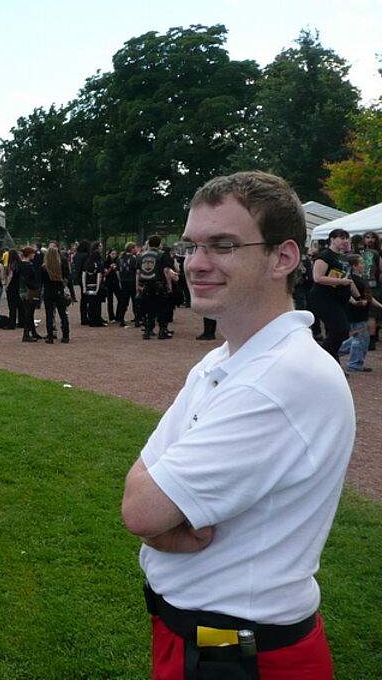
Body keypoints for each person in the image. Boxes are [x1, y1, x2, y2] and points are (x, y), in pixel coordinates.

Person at [121, 171, 354, 680]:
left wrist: (158, 525)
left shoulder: (282, 378)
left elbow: (141, 509)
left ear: (283, 258)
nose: (196, 263)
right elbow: (144, 493)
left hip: (241, 654)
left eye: (223, 246)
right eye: (191, 246)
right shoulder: (225, 360)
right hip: (201, 638)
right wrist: (160, 529)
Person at [309, 228, 354, 366]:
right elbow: (317, 277)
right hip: (325, 298)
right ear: (332, 239)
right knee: (340, 330)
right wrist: (340, 281)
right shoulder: (325, 256)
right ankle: (320, 360)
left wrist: (356, 297)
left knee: (337, 332)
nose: (344, 241)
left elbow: (348, 279)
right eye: (341, 238)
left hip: (340, 298)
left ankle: (332, 365)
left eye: (346, 238)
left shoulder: (342, 257)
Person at [338, 253, 382, 372]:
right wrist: (355, 302)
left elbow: (368, 297)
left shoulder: (361, 279)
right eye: (361, 263)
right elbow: (346, 294)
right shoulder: (351, 279)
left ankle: (334, 351)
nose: (364, 265)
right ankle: (355, 363)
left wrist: (380, 305)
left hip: (362, 312)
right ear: (354, 266)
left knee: (359, 337)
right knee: (360, 338)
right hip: (356, 313)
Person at [136, 236, 173, 340]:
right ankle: (162, 331)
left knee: (149, 309)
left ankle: (147, 331)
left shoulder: (141, 255)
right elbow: (166, 271)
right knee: (162, 308)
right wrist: (169, 284)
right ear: (159, 244)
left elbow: (138, 273)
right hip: (159, 284)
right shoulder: (162, 255)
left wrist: (137, 286)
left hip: (146, 285)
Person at [41, 246, 70, 343]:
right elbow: (66, 277)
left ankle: (50, 336)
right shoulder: (60, 266)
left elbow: (41, 281)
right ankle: (65, 335)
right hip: (59, 291)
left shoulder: (44, 268)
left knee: (49, 315)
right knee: (63, 313)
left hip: (48, 292)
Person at [17, 246, 42, 342]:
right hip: (29, 290)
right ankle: (26, 333)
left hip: (23, 290)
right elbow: (28, 279)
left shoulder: (21, 264)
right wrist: (35, 287)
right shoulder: (27, 265)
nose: (34, 255)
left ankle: (32, 332)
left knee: (29, 312)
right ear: (29, 254)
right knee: (29, 312)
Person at [116, 242, 139, 327]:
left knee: (123, 302)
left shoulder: (120, 258)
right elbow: (137, 272)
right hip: (132, 281)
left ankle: (121, 319)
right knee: (135, 301)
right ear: (132, 249)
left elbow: (118, 271)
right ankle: (137, 320)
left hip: (123, 281)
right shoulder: (134, 259)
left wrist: (120, 280)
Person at [83, 249, 106, 327]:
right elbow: (99, 277)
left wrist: (84, 287)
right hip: (96, 286)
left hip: (88, 286)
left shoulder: (87, 264)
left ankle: (91, 320)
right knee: (97, 305)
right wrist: (97, 288)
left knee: (90, 304)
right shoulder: (99, 264)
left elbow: (83, 276)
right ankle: (97, 321)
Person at [4, 249, 22, 330]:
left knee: (12, 306)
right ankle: (22, 322)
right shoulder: (20, 264)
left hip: (12, 287)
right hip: (19, 286)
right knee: (20, 305)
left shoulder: (11, 265)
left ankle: (12, 323)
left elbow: (10, 276)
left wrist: (6, 286)